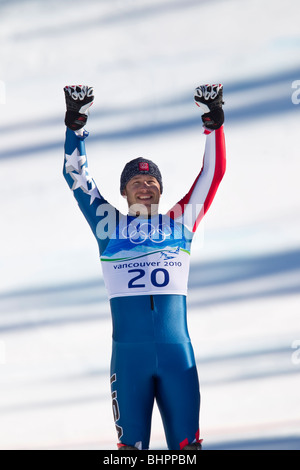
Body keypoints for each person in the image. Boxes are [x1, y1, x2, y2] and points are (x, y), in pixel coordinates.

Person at [63, 84, 226, 450]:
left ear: (160, 190)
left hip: (176, 352)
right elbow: (76, 177)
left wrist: (214, 124)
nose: (145, 187)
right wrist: (75, 126)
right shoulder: (108, 225)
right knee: (130, 452)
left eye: (151, 181)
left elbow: (211, 175)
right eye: (136, 182)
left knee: (188, 449)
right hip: (129, 356)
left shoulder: (181, 222)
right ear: (124, 192)